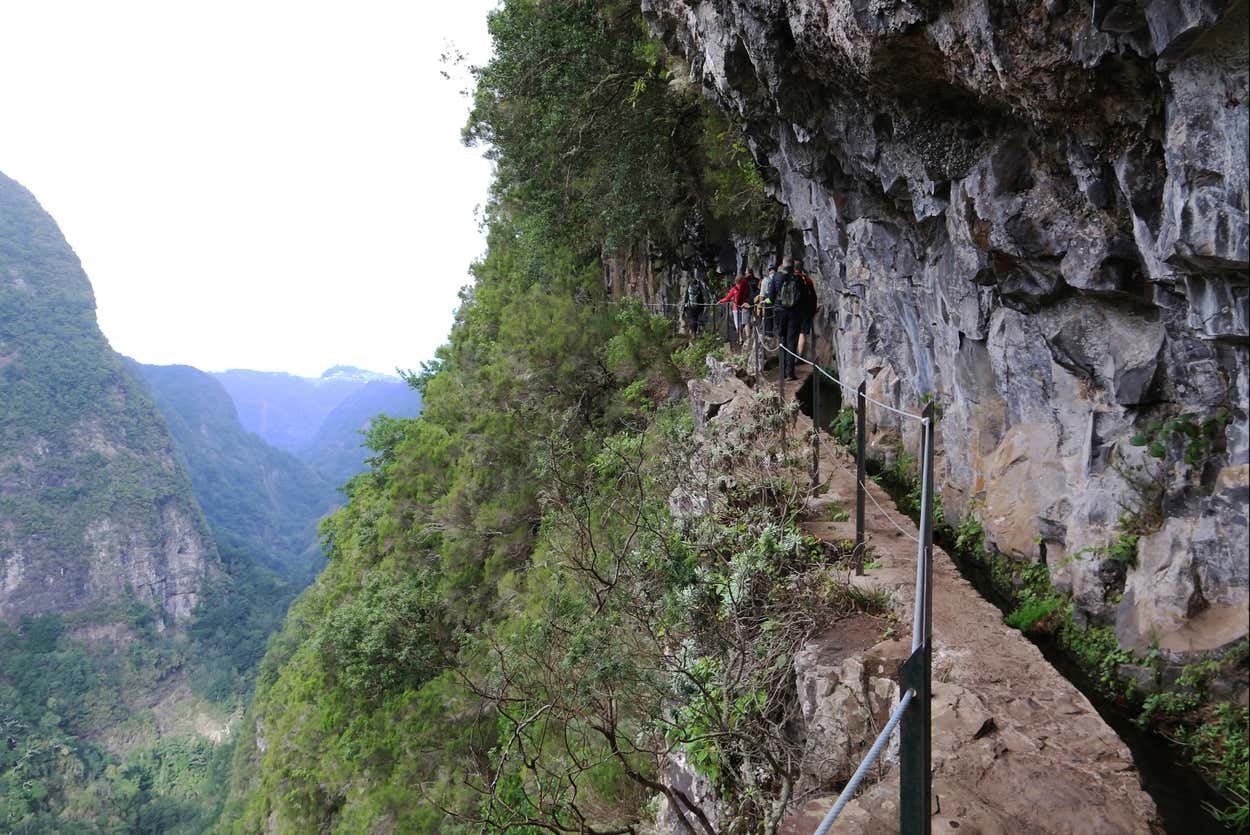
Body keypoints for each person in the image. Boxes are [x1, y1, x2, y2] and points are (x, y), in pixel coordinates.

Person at [765, 257, 802, 380]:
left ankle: (782, 371)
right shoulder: (798, 278)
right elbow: (803, 298)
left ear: (783, 265)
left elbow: (770, 297)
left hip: (780, 312)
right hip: (794, 313)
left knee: (782, 340)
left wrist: (766, 304)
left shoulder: (776, 277)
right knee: (792, 341)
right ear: (793, 266)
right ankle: (790, 373)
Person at [718, 272, 752, 341]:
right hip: (744, 306)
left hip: (736, 308)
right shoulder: (746, 287)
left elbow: (727, 298)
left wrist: (720, 301)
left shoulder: (734, 289)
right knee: (745, 322)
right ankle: (747, 338)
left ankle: (740, 338)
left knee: (738, 324)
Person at [795, 258, 818, 357]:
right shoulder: (807, 280)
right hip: (805, 310)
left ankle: (791, 354)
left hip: (792, 309)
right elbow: (813, 296)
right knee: (802, 332)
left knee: (793, 331)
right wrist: (813, 309)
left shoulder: (790, 278)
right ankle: (799, 354)